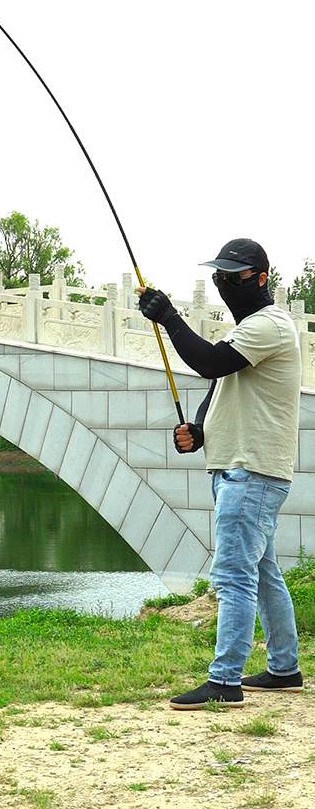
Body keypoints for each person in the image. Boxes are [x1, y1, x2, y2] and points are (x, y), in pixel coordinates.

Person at [138, 238, 303, 711]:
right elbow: (222, 380)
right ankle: (284, 668)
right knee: (264, 571)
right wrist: (198, 430)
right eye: (219, 277)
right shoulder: (249, 330)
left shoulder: (270, 324)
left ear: (262, 278)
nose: (225, 284)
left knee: (233, 575)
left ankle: (225, 680)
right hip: (240, 466)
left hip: (250, 472)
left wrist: (169, 318)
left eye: (234, 277)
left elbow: (210, 361)